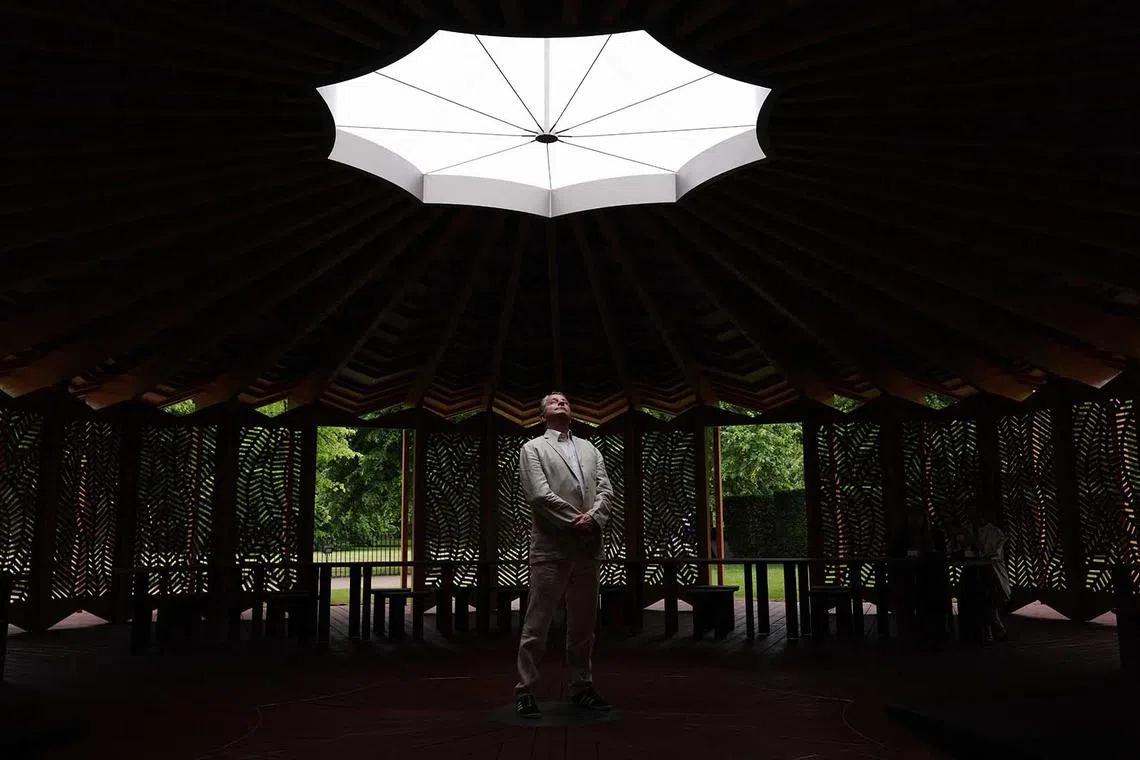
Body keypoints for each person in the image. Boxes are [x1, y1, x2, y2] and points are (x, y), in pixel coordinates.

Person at [514, 392, 615, 719]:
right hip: (552, 548)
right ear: (542, 413)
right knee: (537, 623)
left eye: (565, 399)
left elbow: (606, 491)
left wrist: (595, 518)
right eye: (553, 400)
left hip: (587, 550)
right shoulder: (533, 449)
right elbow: (540, 495)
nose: (561, 402)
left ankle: (582, 687)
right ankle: (526, 690)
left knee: (583, 625)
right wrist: (576, 521)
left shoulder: (591, 449)